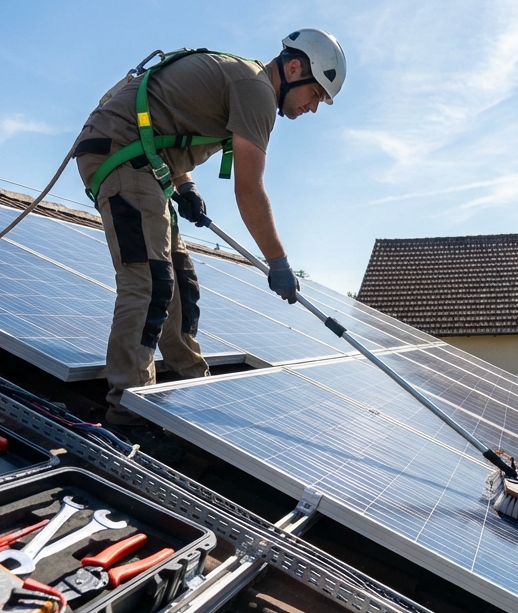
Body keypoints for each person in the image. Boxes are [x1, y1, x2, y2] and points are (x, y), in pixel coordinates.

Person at [74, 30, 346, 461]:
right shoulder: (256, 90)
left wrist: (184, 184)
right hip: (121, 154)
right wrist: (278, 261)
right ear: (294, 69)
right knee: (148, 281)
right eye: (314, 94)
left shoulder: (246, 82)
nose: (312, 107)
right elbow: (250, 191)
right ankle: (127, 413)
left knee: (180, 280)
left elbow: (168, 117)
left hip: (146, 161)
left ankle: (192, 391)